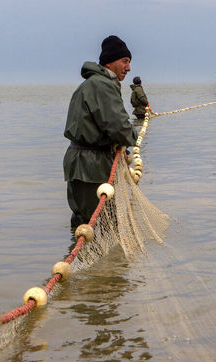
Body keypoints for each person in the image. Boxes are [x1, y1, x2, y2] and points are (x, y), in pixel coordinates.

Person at [63, 35, 138, 227]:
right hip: (90, 166)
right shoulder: (102, 85)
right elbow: (119, 128)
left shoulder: (92, 84)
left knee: (84, 222)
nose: (128, 68)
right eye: (125, 61)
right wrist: (133, 137)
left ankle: (82, 255)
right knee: (101, 224)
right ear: (110, 62)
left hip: (81, 163)